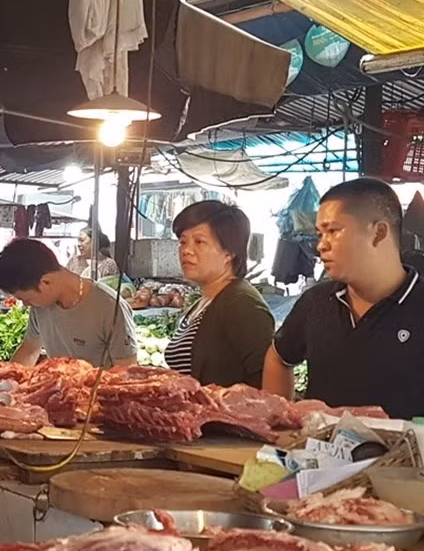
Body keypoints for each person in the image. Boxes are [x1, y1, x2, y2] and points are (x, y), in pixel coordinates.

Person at [262, 178, 423, 420]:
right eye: (320, 234)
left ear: (378, 233)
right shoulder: (315, 302)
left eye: (333, 231)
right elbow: (278, 357)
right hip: (317, 455)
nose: (320, 246)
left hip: (403, 457)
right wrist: (279, 422)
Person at [164, 201, 274, 386]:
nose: (186, 250)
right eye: (183, 242)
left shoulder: (241, 303)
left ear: (229, 252)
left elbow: (269, 378)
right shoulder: (204, 300)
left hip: (228, 414)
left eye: (199, 242)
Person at [0, 238, 137, 367]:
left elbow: (126, 368)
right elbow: (30, 350)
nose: (27, 305)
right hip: (59, 392)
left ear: (45, 282)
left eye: (27, 299)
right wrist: (6, 383)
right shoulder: (40, 306)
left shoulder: (110, 307)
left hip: (100, 393)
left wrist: (75, 385)